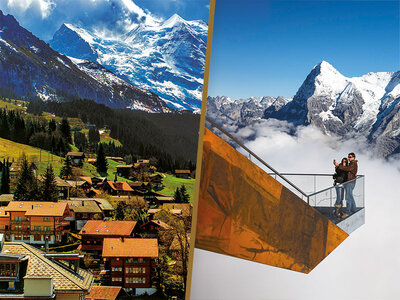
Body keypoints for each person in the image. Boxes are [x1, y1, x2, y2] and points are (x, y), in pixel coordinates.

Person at [334, 152, 358, 218]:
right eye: (348, 157)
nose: (349, 158)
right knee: (350, 196)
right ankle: (354, 209)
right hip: (350, 182)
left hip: (350, 182)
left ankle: (347, 212)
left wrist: (339, 165)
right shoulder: (352, 164)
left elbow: (348, 169)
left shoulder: (353, 164)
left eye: (350, 157)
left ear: (353, 157)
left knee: (348, 198)